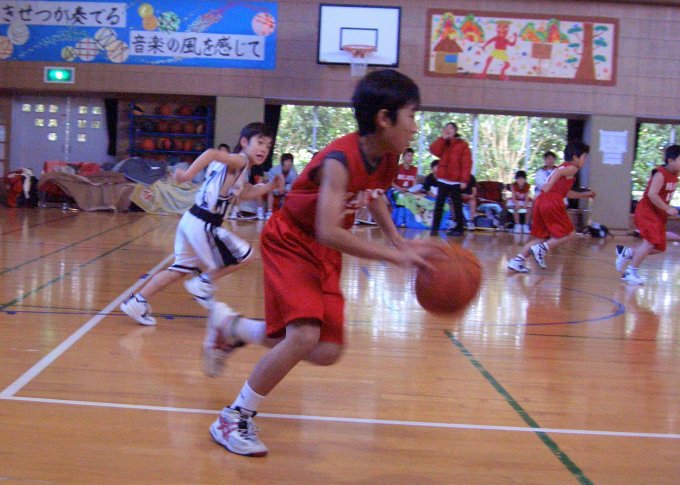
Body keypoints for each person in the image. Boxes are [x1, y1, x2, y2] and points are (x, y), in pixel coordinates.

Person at [203, 69, 443, 457]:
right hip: (292, 240)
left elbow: (375, 194)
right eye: (412, 115)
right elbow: (328, 230)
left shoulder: (387, 156)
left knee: (326, 349)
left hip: (323, 251)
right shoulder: (339, 160)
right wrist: (393, 256)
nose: (415, 127)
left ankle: (233, 329)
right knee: (303, 336)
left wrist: (398, 239)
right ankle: (234, 417)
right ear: (384, 118)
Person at [120, 123, 283, 325]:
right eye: (259, 142)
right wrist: (187, 175)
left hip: (192, 219)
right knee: (247, 255)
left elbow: (246, 192)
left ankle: (137, 302)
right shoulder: (239, 160)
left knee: (179, 269)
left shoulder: (241, 168)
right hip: (204, 222)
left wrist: (270, 186)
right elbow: (211, 153)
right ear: (244, 142)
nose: (263, 149)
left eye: (268, 146)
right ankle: (203, 282)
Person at [507, 141, 596, 273]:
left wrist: (585, 195)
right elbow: (558, 173)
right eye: (584, 157)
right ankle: (541, 249)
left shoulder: (564, 168)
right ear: (575, 157)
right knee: (569, 233)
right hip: (552, 201)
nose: (585, 160)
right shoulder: (572, 168)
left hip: (541, 201)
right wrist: (549, 183)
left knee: (541, 237)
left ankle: (517, 261)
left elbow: (566, 193)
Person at [615, 144, 680, 284]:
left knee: (659, 247)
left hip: (658, 214)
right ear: (670, 160)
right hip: (647, 212)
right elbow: (652, 194)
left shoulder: (675, 175)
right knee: (650, 243)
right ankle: (630, 272)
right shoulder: (660, 174)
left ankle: (627, 252)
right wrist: (667, 208)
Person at [429, 122, 472, 236]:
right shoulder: (444, 143)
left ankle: (459, 228)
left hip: (456, 181)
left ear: (455, 131)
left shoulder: (462, 145)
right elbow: (434, 150)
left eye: (451, 128)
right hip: (443, 179)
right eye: (446, 128)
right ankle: (435, 228)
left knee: (457, 205)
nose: (448, 130)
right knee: (439, 205)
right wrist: (442, 139)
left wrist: (464, 180)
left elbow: (467, 163)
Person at [263, 152, 298, 219]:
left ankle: (283, 213)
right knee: (270, 191)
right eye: (286, 164)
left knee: (291, 195)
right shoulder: (274, 170)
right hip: (274, 187)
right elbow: (270, 182)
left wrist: (285, 189)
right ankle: (269, 211)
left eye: (289, 164)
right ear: (282, 163)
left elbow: (294, 185)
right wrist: (277, 188)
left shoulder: (293, 173)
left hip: (286, 190)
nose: (287, 166)